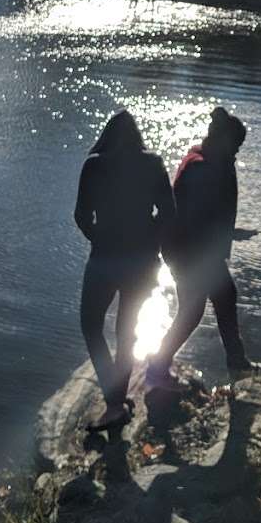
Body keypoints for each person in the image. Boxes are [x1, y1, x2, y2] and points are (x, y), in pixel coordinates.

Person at [74, 110, 175, 431]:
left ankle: (114, 401)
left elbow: (80, 216)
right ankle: (116, 401)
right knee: (126, 331)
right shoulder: (154, 163)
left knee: (91, 325)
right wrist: (149, 241)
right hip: (143, 262)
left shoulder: (95, 164)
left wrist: (100, 237)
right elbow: (169, 213)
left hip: (105, 258)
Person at [146, 106, 258, 386]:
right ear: (222, 140)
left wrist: (228, 234)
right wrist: (232, 235)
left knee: (224, 296)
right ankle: (158, 365)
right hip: (188, 251)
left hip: (195, 248)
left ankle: (236, 362)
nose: (237, 153)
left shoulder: (212, 159)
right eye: (236, 146)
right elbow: (192, 219)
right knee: (194, 310)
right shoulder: (200, 167)